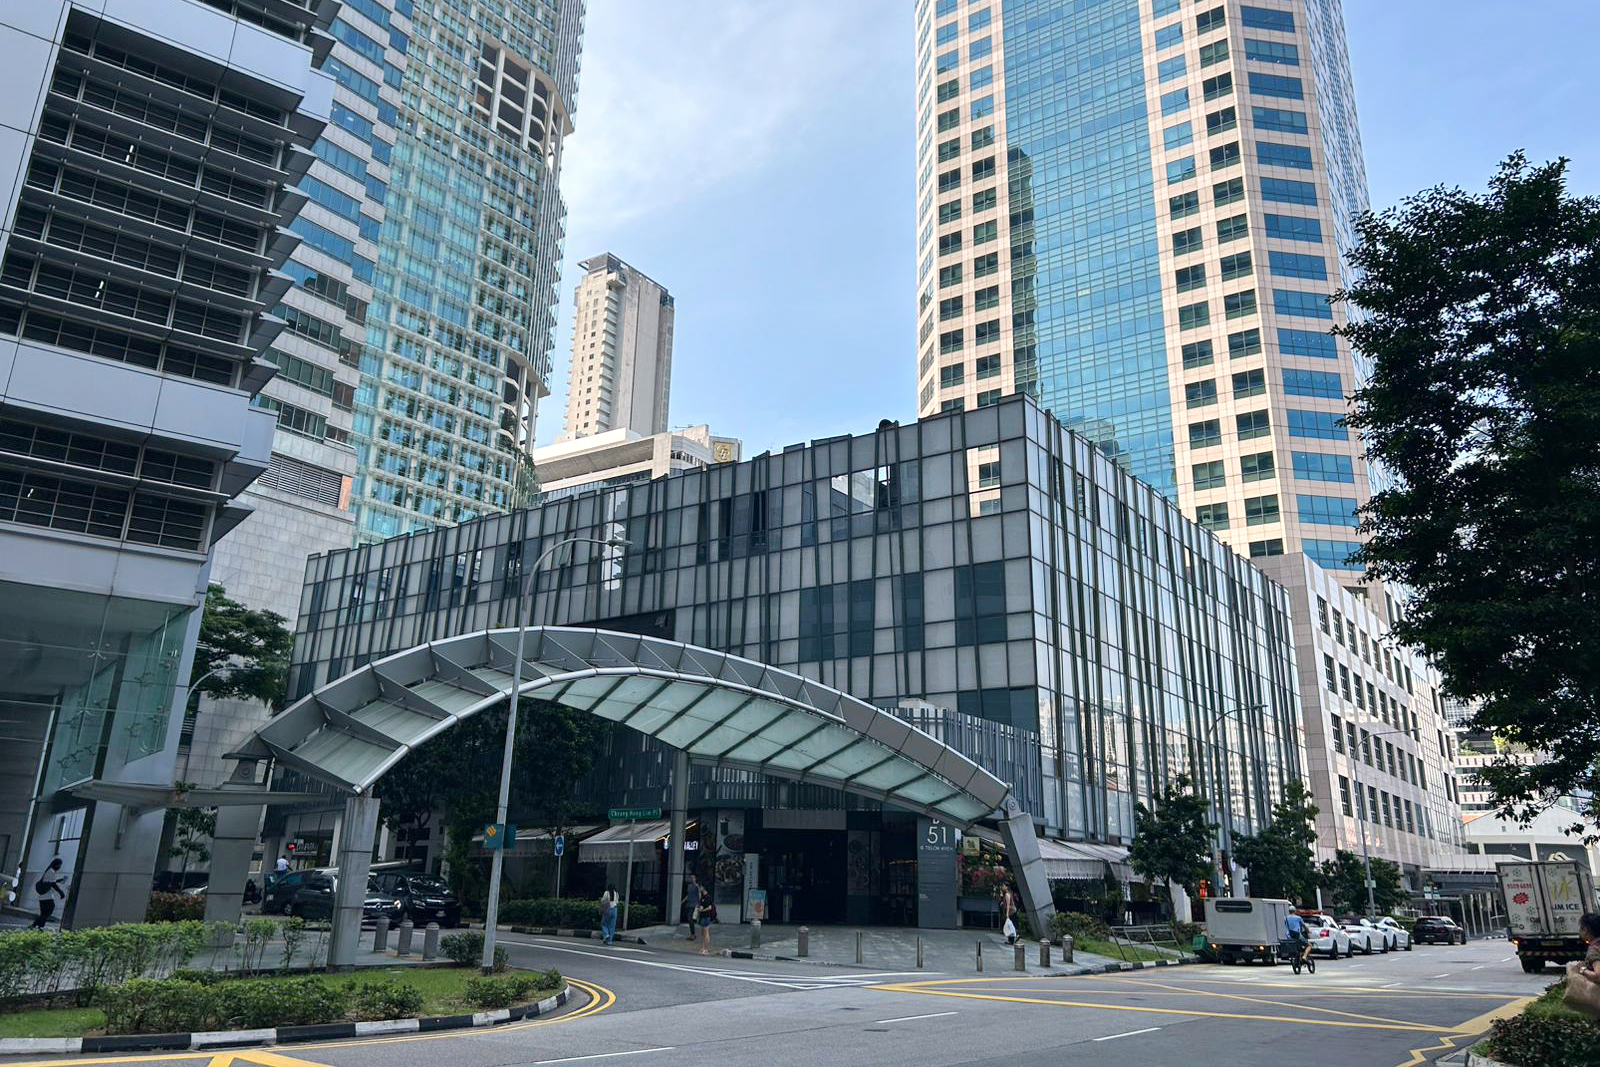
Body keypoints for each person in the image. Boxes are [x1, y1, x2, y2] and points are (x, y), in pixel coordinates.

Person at [30, 858, 66, 928]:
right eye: (59, 865)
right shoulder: (51, 872)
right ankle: (34, 925)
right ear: (57, 865)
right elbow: (53, 884)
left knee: (44, 913)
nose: (59, 867)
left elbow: (50, 882)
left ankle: (40, 927)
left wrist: (58, 880)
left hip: (43, 897)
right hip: (47, 897)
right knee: (49, 911)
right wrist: (61, 892)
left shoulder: (49, 871)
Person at [1578, 912, 1600, 984]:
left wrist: (1583, 970)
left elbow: (1598, 976)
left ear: (1585, 930)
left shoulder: (1594, 950)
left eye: (1580, 928)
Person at [683, 873, 702, 941]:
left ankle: (693, 934)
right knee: (689, 919)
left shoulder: (696, 886)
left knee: (690, 918)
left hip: (694, 905)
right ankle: (692, 934)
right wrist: (683, 901)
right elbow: (688, 895)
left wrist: (699, 903)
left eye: (693, 878)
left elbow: (699, 894)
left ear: (695, 879)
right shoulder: (689, 886)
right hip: (689, 904)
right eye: (691, 878)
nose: (692, 879)